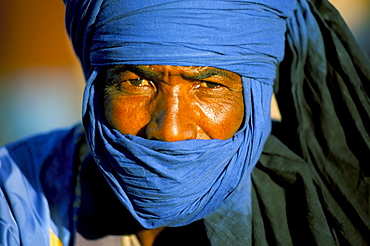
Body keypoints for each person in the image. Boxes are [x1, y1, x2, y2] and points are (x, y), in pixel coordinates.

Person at [1, 0, 369, 245]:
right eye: (136, 82)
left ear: (253, 100)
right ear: (97, 89)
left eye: (208, 86)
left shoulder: (317, 218)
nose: (170, 130)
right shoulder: (16, 199)